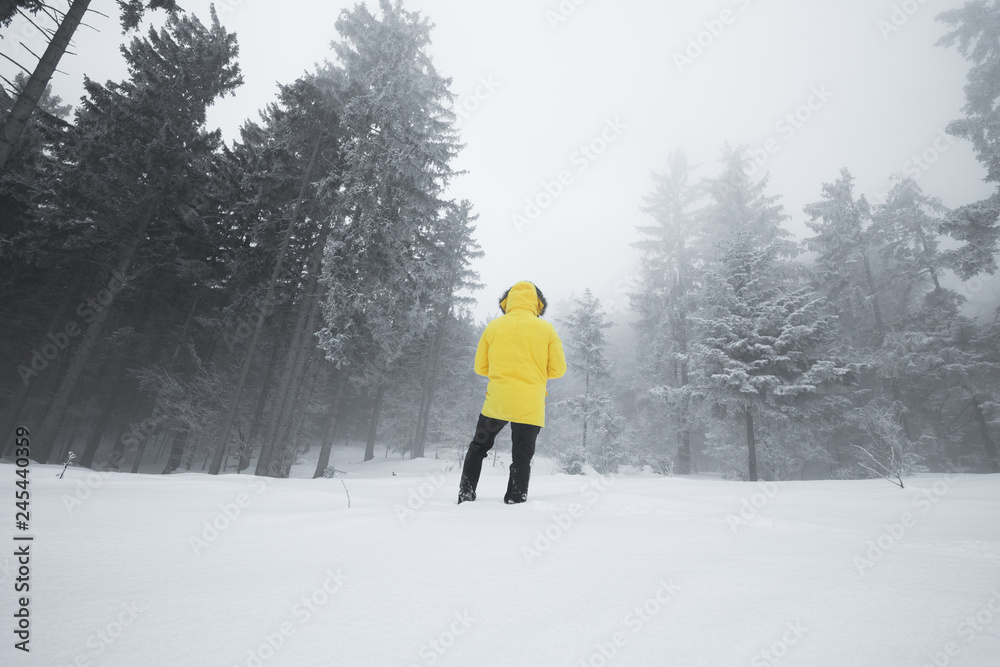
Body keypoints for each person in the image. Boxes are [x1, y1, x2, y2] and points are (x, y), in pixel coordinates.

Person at [458, 281, 566, 504]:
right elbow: (558, 369)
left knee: (478, 448)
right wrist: (535, 374)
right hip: (530, 404)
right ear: (537, 303)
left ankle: (466, 493)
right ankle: (516, 499)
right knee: (522, 457)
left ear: (508, 302)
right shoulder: (546, 329)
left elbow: (480, 367)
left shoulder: (494, 326)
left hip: (497, 401)